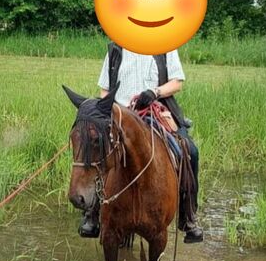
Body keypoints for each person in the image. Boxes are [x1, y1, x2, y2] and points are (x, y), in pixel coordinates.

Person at [78, 42, 203, 244]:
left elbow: (177, 82)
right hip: (120, 116)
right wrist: (113, 108)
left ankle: (188, 218)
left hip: (154, 112)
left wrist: (155, 92)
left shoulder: (165, 44)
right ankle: (93, 214)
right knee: (98, 148)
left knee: (191, 151)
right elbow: (104, 90)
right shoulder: (115, 49)